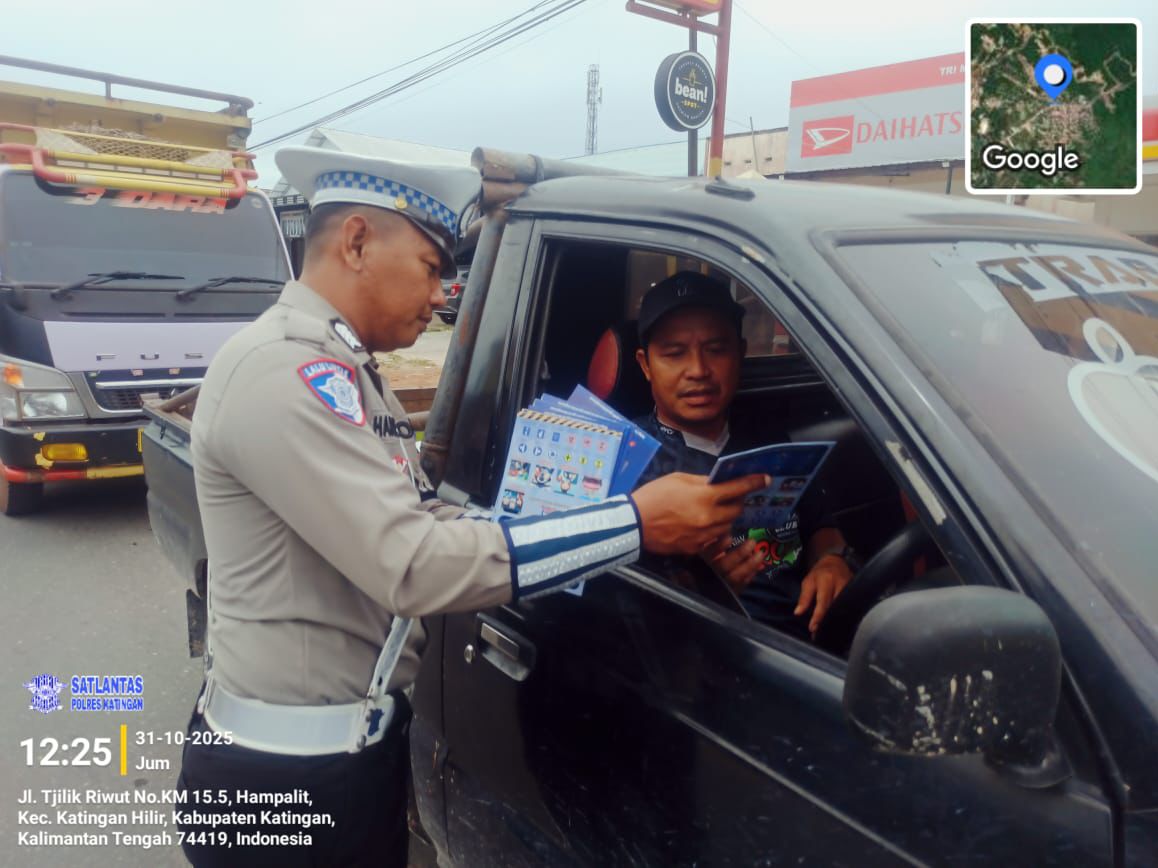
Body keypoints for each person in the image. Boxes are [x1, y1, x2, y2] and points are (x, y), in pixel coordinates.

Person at [174, 149, 767, 868]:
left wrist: (577, 520)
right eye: (431, 267)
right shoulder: (285, 372)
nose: (441, 295)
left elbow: (427, 521)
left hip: (341, 757)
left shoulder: (344, 368)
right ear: (357, 242)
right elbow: (414, 566)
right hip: (285, 778)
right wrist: (633, 523)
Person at [632, 271, 860, 641]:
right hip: (708, 660)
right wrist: (703, 590)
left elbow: (821, 526)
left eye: (716, 350)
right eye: (675, 354)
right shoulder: (626, 458)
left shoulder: (769, 440)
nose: (698, 371)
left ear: (740, 353)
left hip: (807, 648)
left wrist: (832, 561)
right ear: (645, 365)